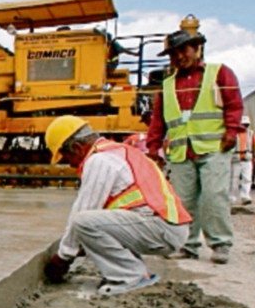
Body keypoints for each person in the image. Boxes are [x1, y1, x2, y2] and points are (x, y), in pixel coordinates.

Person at [44, 116, 191, 296]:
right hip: (167, 226)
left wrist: (63, 257)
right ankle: (136, 272)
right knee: (92, 222)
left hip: (162, 228)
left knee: (83, 221)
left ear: (76, 148)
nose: (70, 164)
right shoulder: (117, 152)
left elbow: (83, 209)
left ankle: (130, 277)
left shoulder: (100, 160)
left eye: (67, 158)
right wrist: (81, 245)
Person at [145, 27, 244, 264]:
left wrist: (232, 131)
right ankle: (186, 245)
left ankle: (220, 244)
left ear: (196, 49)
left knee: (213, 196)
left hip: (213, 147)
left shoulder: (219, 73)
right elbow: (158, 119)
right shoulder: (167, 85)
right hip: (181, 152)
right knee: (183, 201)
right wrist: (153, 146)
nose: (179, 57)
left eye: (183, 50)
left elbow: (234, 104)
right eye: (173, 54)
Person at [229, 117, 253, 206]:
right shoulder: (234, 134)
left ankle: (245, 197)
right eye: (243, 124)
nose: (244, 126)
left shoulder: (250, 134)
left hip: (247, 159)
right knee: (234, 180)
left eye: (246, 125)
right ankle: (232, 198)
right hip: (236, 160)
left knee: (247, 179)